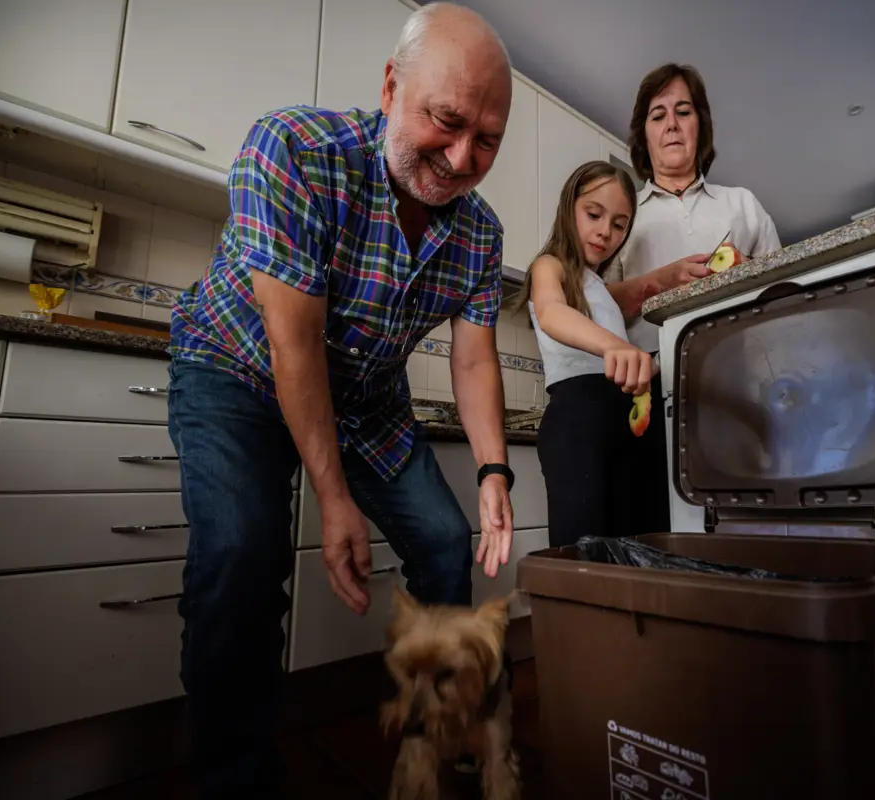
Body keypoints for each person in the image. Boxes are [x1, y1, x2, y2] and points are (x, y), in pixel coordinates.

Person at [166, 3, 516, 795]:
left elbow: (473, 359)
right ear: (391, 88)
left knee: (440, 538)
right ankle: (236, 776)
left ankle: (435, 737)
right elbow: (294, 346)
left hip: (366, 402)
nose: (462, 159)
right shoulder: (291, 148)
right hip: (235, 371)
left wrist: (495, 471)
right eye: (446, 121)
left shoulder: (481, 235)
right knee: (240, 554)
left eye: (487, 140)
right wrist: (331, 499)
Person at [605, 62, 783, 532]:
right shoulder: (623, 218)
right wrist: (657, 282)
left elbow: (785, 301)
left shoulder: (743, 205)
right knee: (656, 534)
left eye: (683, 111)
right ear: (643, 135)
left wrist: (755, 277)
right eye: (658, 114)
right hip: (648, 400)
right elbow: (596, 305)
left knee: (742, 531)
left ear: (700, 124)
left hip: (737, 398)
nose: (671, 124)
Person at [511, 161, 650, 548]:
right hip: (577, 418)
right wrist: (616, 346)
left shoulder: (600, 287)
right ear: (568, 207)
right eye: (594, 214)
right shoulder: (548, 266)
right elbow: (552, 312)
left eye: (620, 224)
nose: (606, 231)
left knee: (629, 545)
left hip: (620, 422)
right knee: (583, 552)